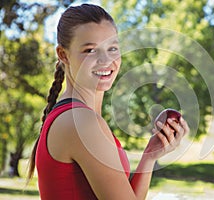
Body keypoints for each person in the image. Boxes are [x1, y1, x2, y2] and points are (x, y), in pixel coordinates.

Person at [28, 3, 189, 200]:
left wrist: (150, 156)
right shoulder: (82, 122)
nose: (105, 60)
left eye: (112, 48)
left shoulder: (71, 115)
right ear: (63, 55)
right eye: (90, 50)